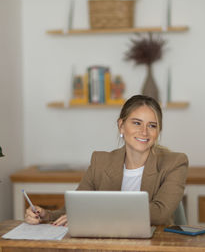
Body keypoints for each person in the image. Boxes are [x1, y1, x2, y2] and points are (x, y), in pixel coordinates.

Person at [25, 95, 188, 226]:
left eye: (152, 126)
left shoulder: (174, 163)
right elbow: (74, 210)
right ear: (121, 126)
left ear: (158, 131)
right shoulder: (100, 161)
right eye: (137, 123)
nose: (144, 131)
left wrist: (91, 213)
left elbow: (159, 214)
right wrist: (45, 215)